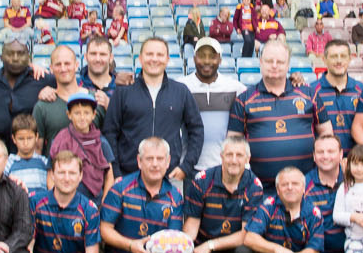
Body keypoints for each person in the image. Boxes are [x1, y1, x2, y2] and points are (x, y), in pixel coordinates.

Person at [182, 133, 264, 253]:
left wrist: (210, 245)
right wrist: (186, 248)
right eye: (229, 155)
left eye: (239, 155)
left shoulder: (254, 186)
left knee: (246, 252)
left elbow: (245, 234)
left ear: (247, 159)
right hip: (207, 250)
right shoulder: (202, 181)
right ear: (221, 156)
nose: (234, 160)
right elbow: (191, 226)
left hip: (235, 246)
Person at [103, 35, 203, 182]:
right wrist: (116, 172)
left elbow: (196, 130)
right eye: (149, 54)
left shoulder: (181, 92)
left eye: (160, 55)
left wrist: (186, 167)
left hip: (169, 177)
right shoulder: (123, 92)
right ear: (140, 58)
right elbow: (110, 133)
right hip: (128, 177)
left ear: (167, 59)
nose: (154, 59)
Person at [228, 38, 318, 193]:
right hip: (259, 190)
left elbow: (326, 135)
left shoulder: (310, 95)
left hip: (306, 188)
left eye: (280, 62)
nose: (274, 65)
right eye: (269, 61)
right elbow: (233, 144)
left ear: (288, 65)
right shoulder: (243, 100)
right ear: (260, 62)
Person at [301, 125, 348, 253]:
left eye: (331, 151)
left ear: (341, 155)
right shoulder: (304, 185)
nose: (326, 156)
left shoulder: (355, 178)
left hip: (356, 247)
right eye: (320, 152)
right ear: (314, 156)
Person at [182, 35, 240, 171]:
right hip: (190, 167)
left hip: (225, 168)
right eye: (202, 56)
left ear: (220, 59)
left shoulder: (235, 88)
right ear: (194, 58)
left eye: (212, 56)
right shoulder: (181, 87)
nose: (207, 61)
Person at [311, 35, 363, 155]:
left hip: (357, 161)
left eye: (343, 56)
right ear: (324, 59)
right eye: (333, 56)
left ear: (350, 59)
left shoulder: (362, 90)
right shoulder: (312, 91)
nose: (339, 61)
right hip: (325, 159)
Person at [49, 92, 111, 203]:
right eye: (77, 113)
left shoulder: (100, 142)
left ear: (94, 114)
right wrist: (55, 201)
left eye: (86, 113)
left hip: (95, 202)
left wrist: (105, 203)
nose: (82, 118)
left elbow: (109, 176)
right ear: (69, 114)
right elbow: (50, 173)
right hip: (65, 202)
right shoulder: (60, 140)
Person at [31, 44, 91, 146]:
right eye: (58, 64)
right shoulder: (42, 106)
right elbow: (37, 148)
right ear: (51, 68)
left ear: (76, 65)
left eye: (67, 63)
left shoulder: (94, 100)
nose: (63, 69)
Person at [5, 114, 49, 196]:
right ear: (13, 139)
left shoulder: (44, 162)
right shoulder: (7, 163)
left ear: (36, 137)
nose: (25, 143)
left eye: (29, 138)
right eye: (21, 139)